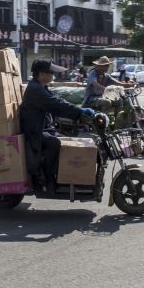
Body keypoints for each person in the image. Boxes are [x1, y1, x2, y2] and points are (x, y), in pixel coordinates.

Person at [20, 59, 93, 193]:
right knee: (54, 143)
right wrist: (79, 112)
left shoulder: (41, 86)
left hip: (44, 127)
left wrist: (79, 110)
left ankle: (61, 175)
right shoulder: (35, 89)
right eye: (51, 72)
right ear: (42, 74)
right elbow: (55, 104)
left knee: (67, 139)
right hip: (35, 131)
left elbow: (58, 100)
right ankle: (46, 178)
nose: (53, 75)